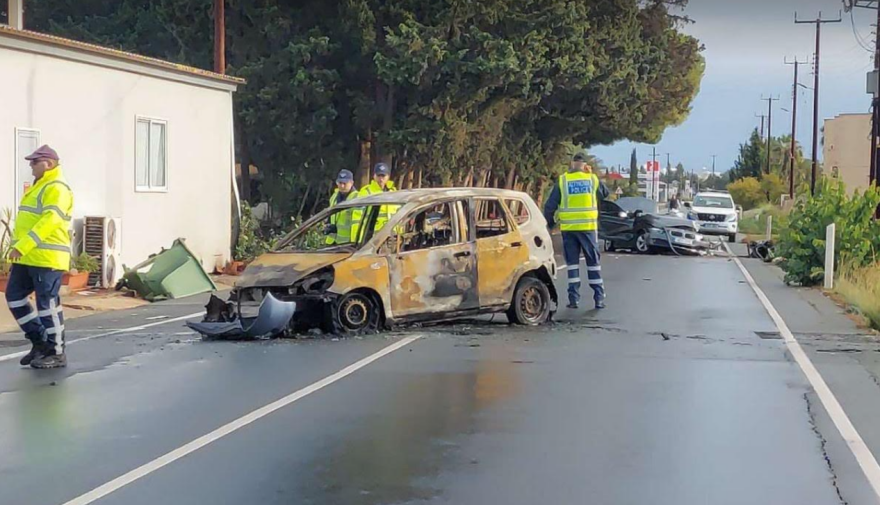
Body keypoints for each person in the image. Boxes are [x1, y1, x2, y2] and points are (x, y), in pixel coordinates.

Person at [5, 145, 74, 368]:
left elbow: (50, 221)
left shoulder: (57, 187)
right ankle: (40, 342)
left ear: (49, 164)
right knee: (14, 296)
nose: (31, 166)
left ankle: (56, 352)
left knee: (48, 305)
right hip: (28, 257)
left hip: (47, 257)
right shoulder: (38, 187)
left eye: (35, 162)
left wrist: (23, 246)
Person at [543, 152, 609, 310]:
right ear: (585, 165)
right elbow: (605, 194)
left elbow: (549, 206)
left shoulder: (563, 180)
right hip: (587, 229)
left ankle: (574, 299)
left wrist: (550, 225)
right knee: (593, 263)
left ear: (571, 164)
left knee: (572, 264)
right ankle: (598, 298)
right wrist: (592, 174)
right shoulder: (591, 179)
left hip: (569, 229)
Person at [325, 169, 362, 245]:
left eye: (345, 183)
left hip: (348, 243)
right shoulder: (334, 196)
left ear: (351, 183)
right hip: (332, 241)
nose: (342, 186)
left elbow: (357, 222)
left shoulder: (357, 198)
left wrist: (355, 243)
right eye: (340, 183)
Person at [359, 163, 399, 230]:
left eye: (383, 176)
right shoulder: (366, 192)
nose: (381, 179)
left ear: (388, 177)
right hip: (373, 234)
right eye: (378, 176)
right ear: (374, 176)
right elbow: (358, 216)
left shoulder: (393, 192)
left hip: (391, 235)